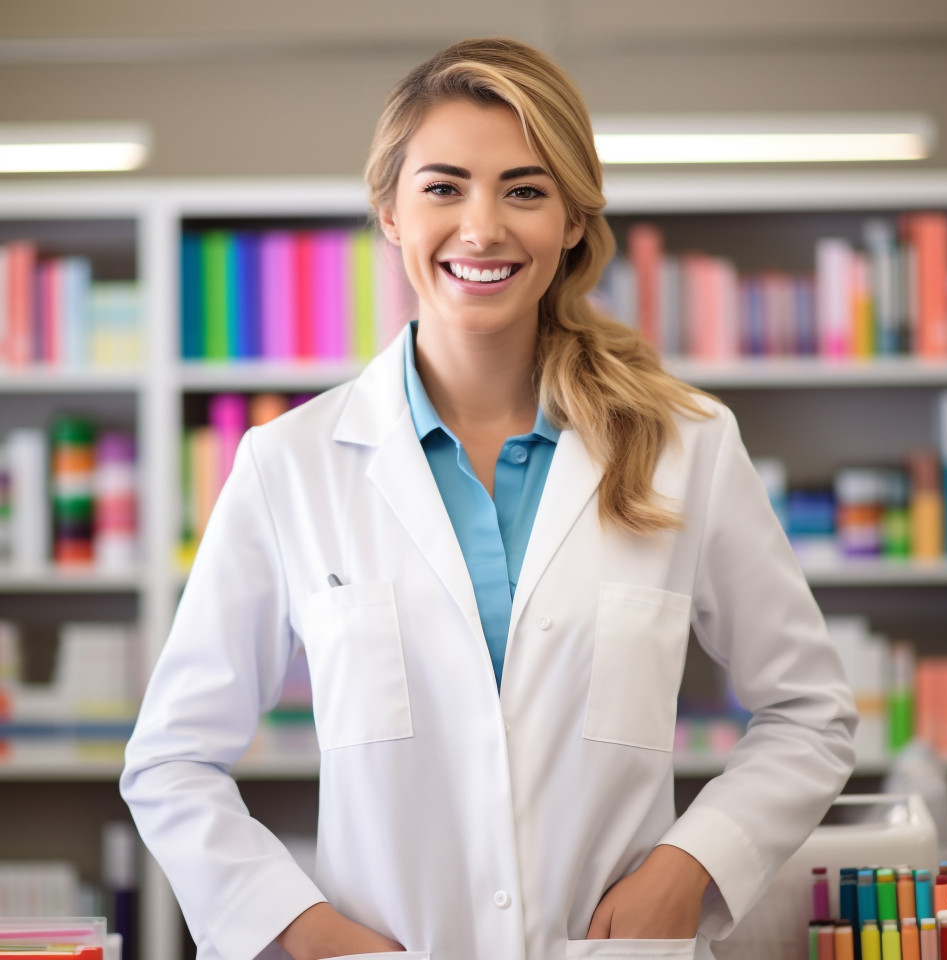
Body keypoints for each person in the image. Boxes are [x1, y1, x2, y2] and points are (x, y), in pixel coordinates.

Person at [121, 36, 857, 960]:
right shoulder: (290, 466)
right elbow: (171, 760)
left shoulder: (687, 446)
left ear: (573, 221)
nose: (482, 229)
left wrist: (688, 868)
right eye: (443, 188)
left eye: (524, 190)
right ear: (390, 212)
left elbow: (810, 712)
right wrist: (305, 933)